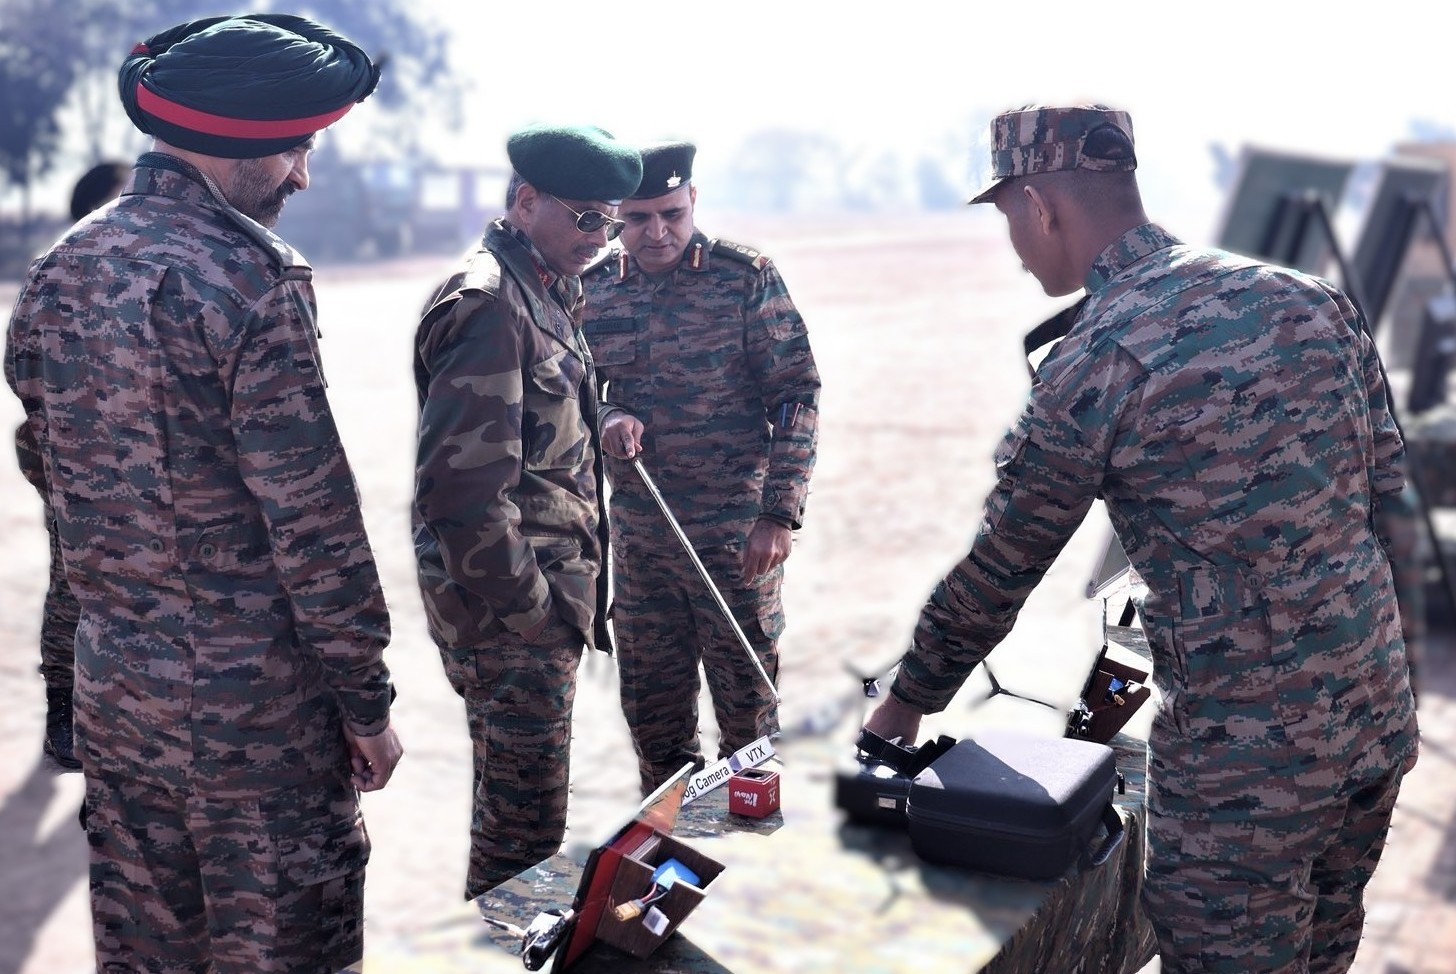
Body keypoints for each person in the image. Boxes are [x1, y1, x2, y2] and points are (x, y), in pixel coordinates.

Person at [862, 104, 1418, 973]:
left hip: (1248, 767)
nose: (1014, 243)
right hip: (1374, 718)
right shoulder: (1308, 298)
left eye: (1010, 215)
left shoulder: (1102, 358)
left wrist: (906, 702)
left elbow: (1006, 562)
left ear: (1041, 205)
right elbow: (1386, 490)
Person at [4, 14, 403, 972]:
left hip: (119, 705)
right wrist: (367, 704)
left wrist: (70, 682)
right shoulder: (253, 277)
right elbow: (313, 524)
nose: (303, 173)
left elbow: (63, 502)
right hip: (254, 731)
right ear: (239, 143)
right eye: (299, 146)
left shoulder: (57, 274)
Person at [412, 123, 641, 899]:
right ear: (524, 200)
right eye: (585, 217)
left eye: (609, 220)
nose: (601, 236)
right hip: (509, 615)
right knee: (522, 840)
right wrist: (536, 613)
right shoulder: (490, 306)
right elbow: (464, 496)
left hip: (537, 603)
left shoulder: (542, 287)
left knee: (528, 822)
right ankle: (505, 950)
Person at [582, 140, 821, 795]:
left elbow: (797, 392)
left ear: (693, 203)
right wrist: (605, 419)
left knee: (748, 721)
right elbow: (570, 398)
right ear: (614, 220)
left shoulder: (743, 278)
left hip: (733, 538)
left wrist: (779, 515)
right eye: (637, 219)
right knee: (655, 722)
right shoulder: (593, 290)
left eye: (671, 214)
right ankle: (672, 847)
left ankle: (751, 850)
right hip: (641, 540)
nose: (656, 232)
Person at [15, 159, 129, 771]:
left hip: (131, 450)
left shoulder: (142, 268)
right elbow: (23, 367)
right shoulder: (58, 272)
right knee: (72, 572)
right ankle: (64, 704)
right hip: (67, 445)